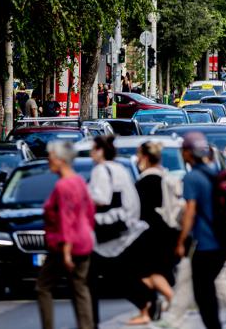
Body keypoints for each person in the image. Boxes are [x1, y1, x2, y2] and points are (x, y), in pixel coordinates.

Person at [87, 135, 148, 327]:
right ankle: (148, 302)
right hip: (124, 228)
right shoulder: (120, 169)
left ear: (100, 151)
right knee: (120, 276)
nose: (91, 153)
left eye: (93, 149)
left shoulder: (100, 170)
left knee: (91, 278)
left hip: (105, 229)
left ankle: (91, 321)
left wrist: (83, 199)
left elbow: (102, 198)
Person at [36, 141, 95, 329]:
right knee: (79, 287)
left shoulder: (63, 186)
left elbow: (66, 219)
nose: (48, 161)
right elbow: (89, 211)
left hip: (65, 245)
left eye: (51, 157)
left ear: (60, 160)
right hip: (83, 241)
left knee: (43, 286)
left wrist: (67, 251)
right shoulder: (78, 180)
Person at [175, 132, 226, 329]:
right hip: (221, 242)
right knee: (208, 290)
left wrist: (181, 241)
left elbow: (190, 213)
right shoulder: (213, 172)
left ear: (188, 153)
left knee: (202, 293)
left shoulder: (192, 178)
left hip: (205, 245)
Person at [129, 142, 180, 325]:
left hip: (153, 234)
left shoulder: (145, 182)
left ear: (145, 157)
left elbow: (141, 212)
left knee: (148, 271)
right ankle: (154, 307)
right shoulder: (166, 176)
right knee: (152, 271)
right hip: (167, 231)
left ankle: (172, 302)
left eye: (138, 155)